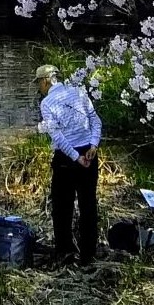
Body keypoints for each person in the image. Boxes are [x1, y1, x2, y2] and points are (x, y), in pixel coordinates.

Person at [36, 63, 101, 263]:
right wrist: (93, 145)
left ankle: (65, 250)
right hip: (89, 153)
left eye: (39, 83)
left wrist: (75, 157)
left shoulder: (47, 103)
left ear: (46, 81)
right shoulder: (79, 92)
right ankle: (89, 252)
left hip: (67, 159)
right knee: (88, 204)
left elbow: (57, 137)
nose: (39, 87)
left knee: (62, 206)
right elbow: (95, 120)